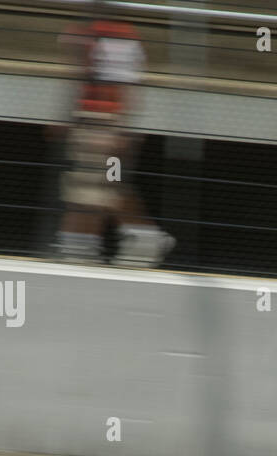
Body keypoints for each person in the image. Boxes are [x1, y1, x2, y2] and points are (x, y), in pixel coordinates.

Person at [53, 8, 173, 266]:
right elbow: (76, 79)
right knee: (88, 187)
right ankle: (82, 246)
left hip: (103, 121)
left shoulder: (116, 33)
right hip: (88, 119)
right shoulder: (85, 30)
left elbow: (124, 83)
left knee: (99, 188)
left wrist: (121, 127)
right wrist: (67, 117)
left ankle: (139, 238)